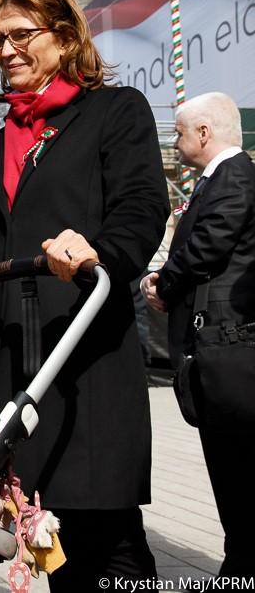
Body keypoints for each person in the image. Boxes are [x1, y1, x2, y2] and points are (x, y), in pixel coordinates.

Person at [0, 0, 170, 588]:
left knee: (109, 539)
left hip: (84, 356)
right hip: (10, 362)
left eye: (20, 35)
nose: (5, 50)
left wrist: (99, 252)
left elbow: (142, 209)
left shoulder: (115, 112)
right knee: (48, 536)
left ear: (65, 38)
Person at [141, 92, 255, 576]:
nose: (175, 141)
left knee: (238, 473)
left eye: (181, 132)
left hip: (230, 354)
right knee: (230, 477)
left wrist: (163, 284)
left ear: (204, 133)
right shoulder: (222, 179)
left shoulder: (234, 176)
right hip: (219, 351)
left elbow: (209, 244)